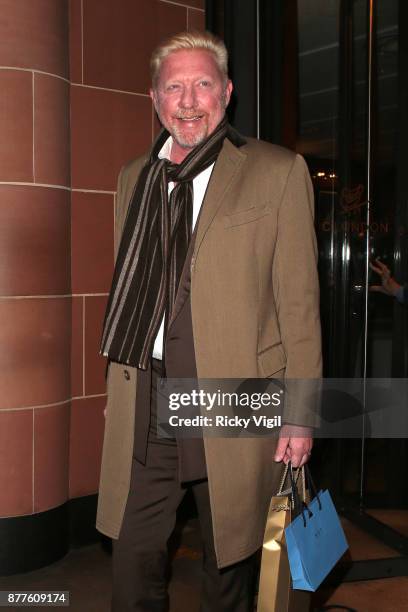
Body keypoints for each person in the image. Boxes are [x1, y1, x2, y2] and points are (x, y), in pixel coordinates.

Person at [96, 30, 322, 611]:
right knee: (133, 553)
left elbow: (299, 306)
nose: (189, 100)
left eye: (202, 84)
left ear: (227, 91)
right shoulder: (133, 179)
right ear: (154, 98)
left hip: (235, 397)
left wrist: (300, 416)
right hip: (149, 394)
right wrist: (115, 394)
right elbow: (129, 293)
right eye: (175, 87)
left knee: (232, 559)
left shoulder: (276, 170)